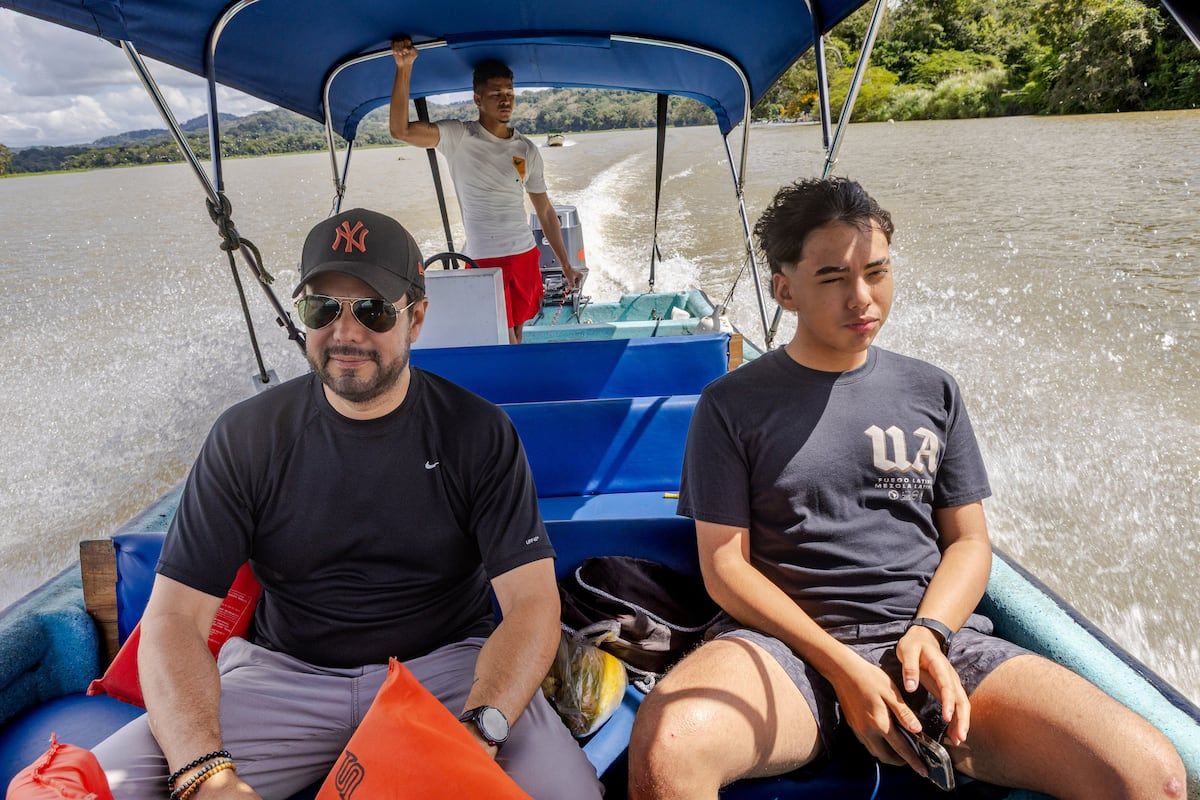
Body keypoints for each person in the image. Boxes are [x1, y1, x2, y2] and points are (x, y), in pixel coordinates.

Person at [627, 178, 1186, 800]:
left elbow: (969, 542)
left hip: (932, 646)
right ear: (785, 290)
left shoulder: (932, 391)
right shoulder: (730, 404)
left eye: (876, 271)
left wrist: (930, 633)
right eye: (833, 277)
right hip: (787, 654)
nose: (861, 298)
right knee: (667, 747)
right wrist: (843, 670)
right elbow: (724, 566)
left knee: (1149, 777)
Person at [91, 208, 603, 800]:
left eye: (373, 310)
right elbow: (174, 619)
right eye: (323, 308)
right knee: (85, 790)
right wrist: (205, 774)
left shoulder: (477, 433)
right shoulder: (246, 438)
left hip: (447, 673)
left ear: (417, 317)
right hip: (284, 679)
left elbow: (532, 604)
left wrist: (479, 729)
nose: (346, 332)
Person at [389, 38, 579, 344]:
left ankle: (517, 388)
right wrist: (404, 67)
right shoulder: (459, 136)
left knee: (518, 332)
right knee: (499, 336)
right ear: (478, 99)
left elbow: (544, 211)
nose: (506, 101)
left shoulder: (527, 150)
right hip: (484, 260)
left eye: (509, 94)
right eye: (496, 94)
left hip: (524, 255)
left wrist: (566, 266)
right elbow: (401, 130)